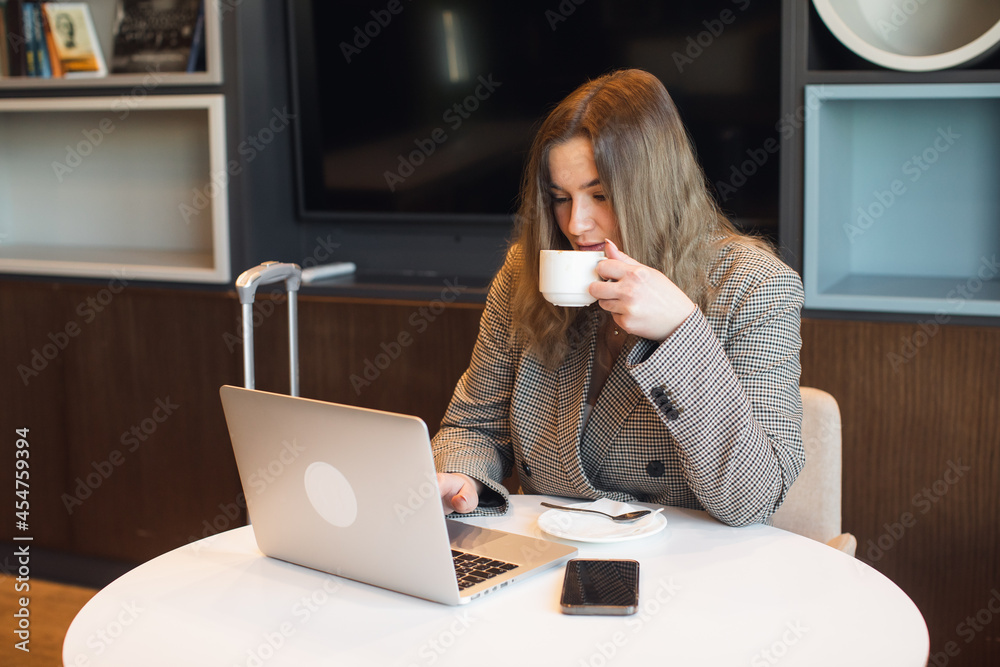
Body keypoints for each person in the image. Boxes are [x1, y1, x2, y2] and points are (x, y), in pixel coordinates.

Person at [432, 69, 804, 527]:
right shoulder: (524, 276)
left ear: (653, 188)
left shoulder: (754, 286)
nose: (575, 225)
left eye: (600, 195)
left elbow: (754, 498)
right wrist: (462, 476)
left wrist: (680, 334)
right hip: (555, 554)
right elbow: (474, 427)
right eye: (560, 197)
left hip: (692, 570)